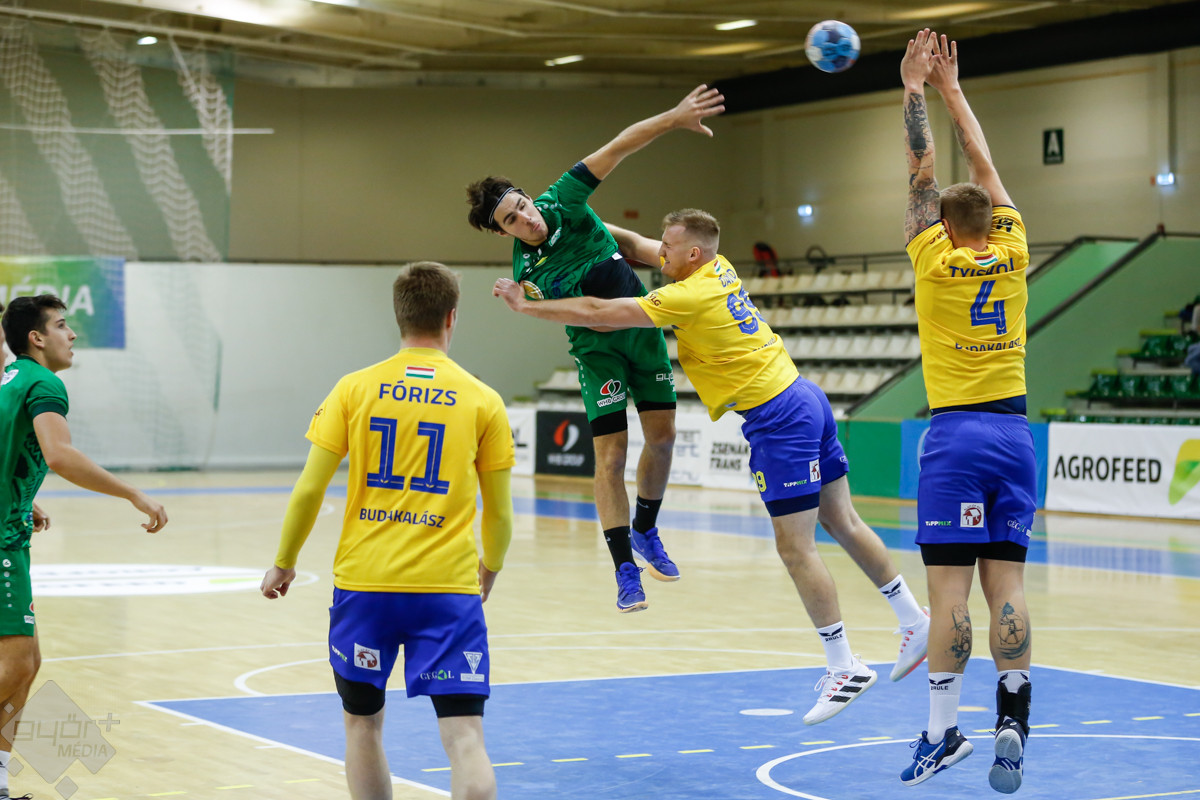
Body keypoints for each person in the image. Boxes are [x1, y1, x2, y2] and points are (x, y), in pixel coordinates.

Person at [492, 209, 930, 726]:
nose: (660, 251)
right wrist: (579, 219)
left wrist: (525, 305)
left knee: (796, 547)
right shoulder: (717, 267)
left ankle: (844, 665)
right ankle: (913, 618)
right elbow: (631, 241)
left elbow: (596, 311)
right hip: (804, 395)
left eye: (668, 246)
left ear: (692, 253)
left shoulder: (686, 295)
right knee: (844, 521)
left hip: (777, 418)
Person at [260, 262, 514, 800]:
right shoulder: (482, 399)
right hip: (447, 589)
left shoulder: (354, 389)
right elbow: (499, 512)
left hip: (365, 586)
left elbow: (309, 490)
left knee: (362, 725)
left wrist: (285, 560)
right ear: (451, 317)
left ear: (398, 316)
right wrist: (489, 567)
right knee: (466, 738)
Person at [465, 85, 724, 613]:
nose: (527, 218)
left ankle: (647, 529)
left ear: (529, 196)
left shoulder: (563, 198)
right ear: (501, 232)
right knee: (611, 455)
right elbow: (585, 312)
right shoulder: (530, 274)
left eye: (522, 205)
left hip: (644, 330)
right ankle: (625, 568)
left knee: (664, 438)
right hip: (597, 350)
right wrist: (524, 306)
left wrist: (674, 118)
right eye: (512, 219)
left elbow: (619, 146)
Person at [898, 30, 1035, 792]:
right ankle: (1013, 714)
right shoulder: (1013, 248)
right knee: (1007, 586)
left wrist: (912, 86)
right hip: (1014, 434)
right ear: (992, 220)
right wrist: (952, 89)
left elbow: (923, 169)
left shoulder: (932, 256)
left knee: (949, 592)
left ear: (945, 227)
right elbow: (981, 167)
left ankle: (942, 734)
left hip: (955, 435)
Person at [0, 295, 168, 800]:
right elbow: (60, 455)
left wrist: (22, 497)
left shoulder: (11, 378)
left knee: (28, 663)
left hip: (11, 530)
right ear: (37, 338)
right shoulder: (43, 382)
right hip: (2, 542)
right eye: (61, 325)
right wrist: (133, 493)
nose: (71, 335)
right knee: (16, 665)